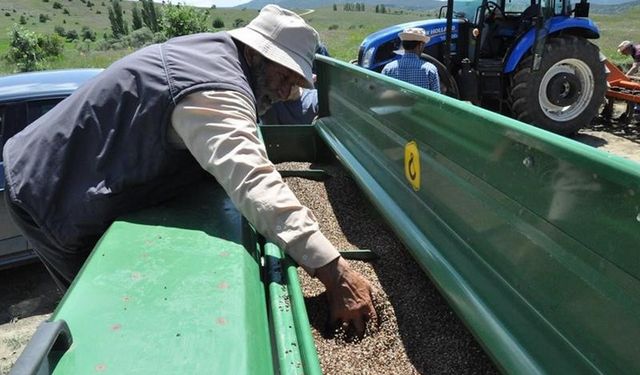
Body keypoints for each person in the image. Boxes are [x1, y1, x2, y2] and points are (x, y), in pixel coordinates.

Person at [3, 5, 376, 336]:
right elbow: (252, 179)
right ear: (253, 52)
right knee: (103, 314)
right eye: (283, 77)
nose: (284, 92)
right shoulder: (214, 88)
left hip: (73, 174)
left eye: (294, 83)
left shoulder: (218, 56)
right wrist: (333, 269)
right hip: (50, 188)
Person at [260, 43, 330, 125]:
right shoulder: (269, 100)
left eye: (290, 79)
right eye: (282, 77)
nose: (283, 86)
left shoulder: (314, 99)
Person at [381, 27, 440, 93]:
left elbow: (382, 93)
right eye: (423, 44)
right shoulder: (430, 69)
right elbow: (437, 98)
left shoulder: (388, 68)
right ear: (420, 45)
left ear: (403, 45)